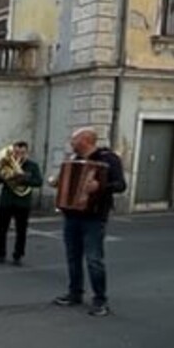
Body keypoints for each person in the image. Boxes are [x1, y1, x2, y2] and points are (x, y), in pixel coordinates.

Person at [53, 127, 127, 317]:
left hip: (94, 216)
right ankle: (75, 293)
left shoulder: (108, 159)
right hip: (72, 214)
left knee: (94, 259)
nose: (71, 143)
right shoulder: (74, 160)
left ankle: (100, 300)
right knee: (73, 256)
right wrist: (58, 183)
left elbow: (120, 185)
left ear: (85, 140)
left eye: (73, 139)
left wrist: (100, 186)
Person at [0, 141, 43, 265]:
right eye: (16, 152)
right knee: (1, 229)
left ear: (26, 153)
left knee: (21, 231)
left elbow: (38, 182)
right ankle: (0, 254)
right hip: (6, 201)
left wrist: (23, 178)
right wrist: (3, 176)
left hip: (22, 202)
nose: (19, 155)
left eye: (22, 153)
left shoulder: (32, 166)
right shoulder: (7, 164)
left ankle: (18, 255)